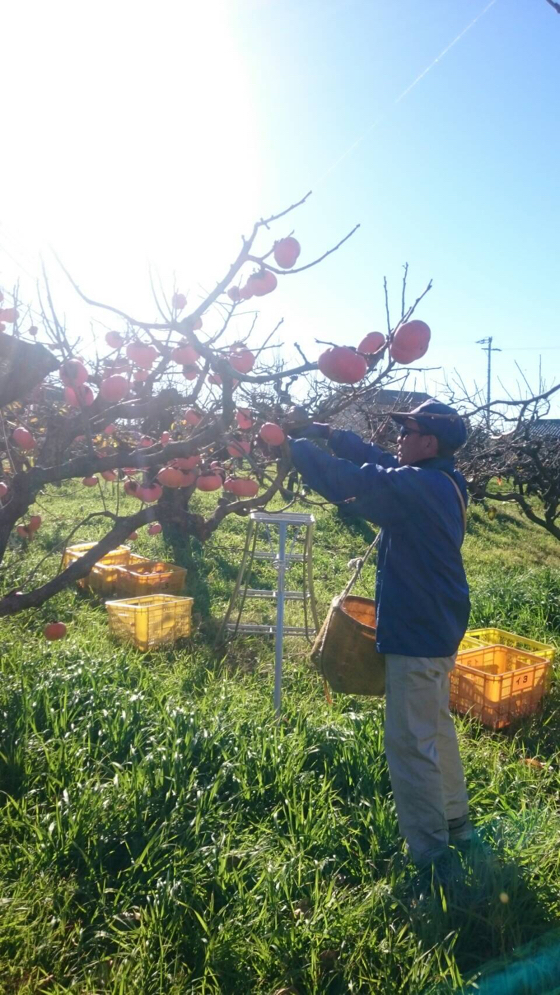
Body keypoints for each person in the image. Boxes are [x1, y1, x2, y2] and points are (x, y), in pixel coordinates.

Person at [288, 399, 472, 875]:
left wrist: (292, 448)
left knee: (411, 743)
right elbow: (384, 462)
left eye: (406, 432)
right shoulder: (442, 479)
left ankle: (432, 857)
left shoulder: (422, 487)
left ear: (428, 442)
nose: (399, 440)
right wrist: (333, 434)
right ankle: (457, 826)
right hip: (436, 623)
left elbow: (359, 481)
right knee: (434, 726)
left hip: (418, 630)